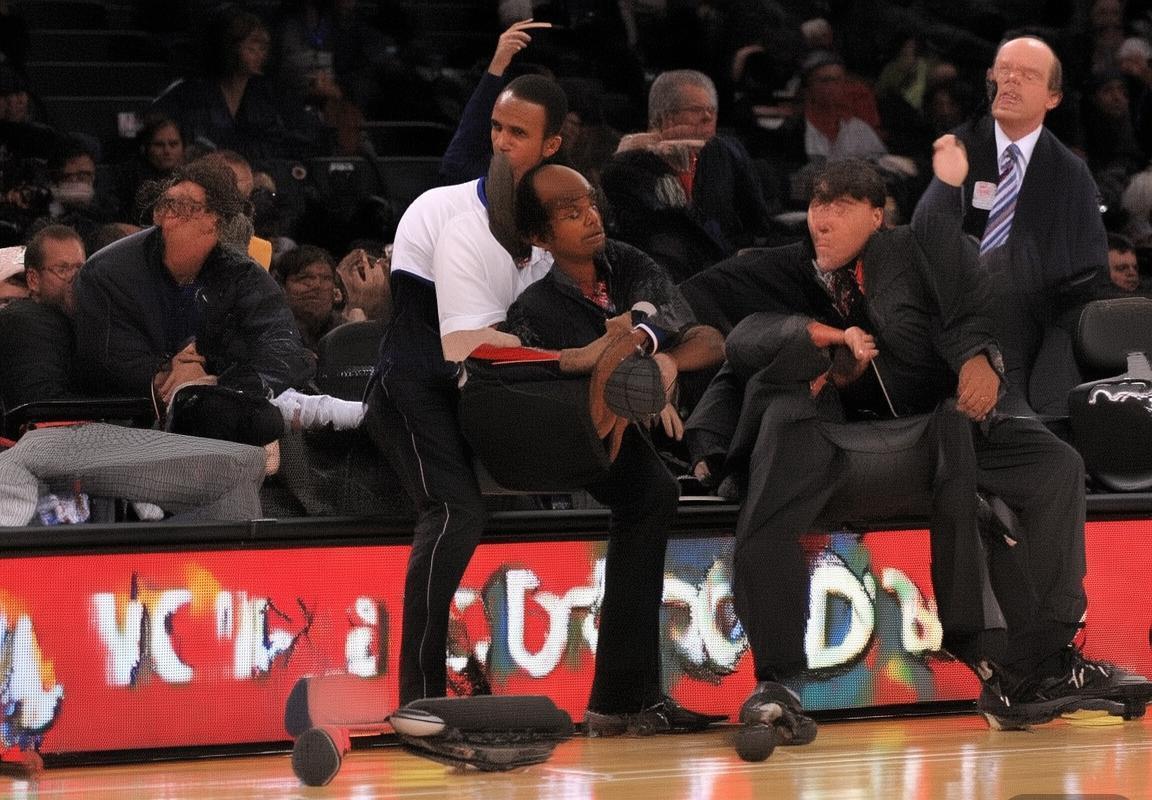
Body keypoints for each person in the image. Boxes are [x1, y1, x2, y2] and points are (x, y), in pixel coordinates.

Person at [682, 151, 1152, 733]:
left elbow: (969, 306)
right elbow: (735, 340)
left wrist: (981, 357)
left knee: (1053, 464)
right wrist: (808, 341)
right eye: (817, 205)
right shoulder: (785, 267)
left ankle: (1043, 661)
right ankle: (778, 681)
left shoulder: (915, 253)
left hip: (937, 428)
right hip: (839, 447)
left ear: (877, 215)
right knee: (788, 457)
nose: (822, 219)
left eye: (841, 205)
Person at [363, 74, 565, 711]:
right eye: (497, 128)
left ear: (551, 146)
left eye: (518, 134)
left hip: (486, 401)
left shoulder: (553, 240)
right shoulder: (437, 208)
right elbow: (426, 338)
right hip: (414, 389)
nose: (501, 142)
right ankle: (419, 696)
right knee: (455, 511)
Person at [501, 163, 726, 733]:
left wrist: (658, 359)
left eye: (591, 204)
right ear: (540, 237)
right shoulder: (534, 308)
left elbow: (690, 326)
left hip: (642, 428)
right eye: (570, 213)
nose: (590, 219)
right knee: (651, 493)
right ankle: (624, 699)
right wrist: (630, 373)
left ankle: (627, 700)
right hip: (572, 432)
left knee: (653, 494)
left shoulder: (627, 262)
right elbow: (561, 387)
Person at [914, 36, 1107, 417]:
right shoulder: (959, 146)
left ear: (1053, 97)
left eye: (1028, 75)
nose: (1012, 80)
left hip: (1035, 326)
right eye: (1005, 71)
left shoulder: (1070, 172)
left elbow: (1089, 270)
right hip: (952, 318)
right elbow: (925, 241)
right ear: (990, 79)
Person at [73, 159, 312, 420]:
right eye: (167, 204)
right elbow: (107, 362)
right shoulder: (107, 272)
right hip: (125, 423)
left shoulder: (244, 275)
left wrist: (215, 382)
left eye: (187, 208)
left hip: (226, 417)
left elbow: (285, 352)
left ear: (216, 222)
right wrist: (169, 372)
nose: (169, 214)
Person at [0, 225, 82, 410]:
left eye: (79, 268)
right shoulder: (24, 321)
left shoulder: (74, 318)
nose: (73, 277)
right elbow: (42, 406)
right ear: (34, 279)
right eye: (62, 269)